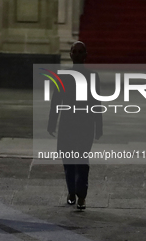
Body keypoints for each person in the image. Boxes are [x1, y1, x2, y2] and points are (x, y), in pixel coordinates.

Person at [47, 41, 103, 210]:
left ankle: (81, 195)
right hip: (67, 123)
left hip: (84, 123)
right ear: (71, 55)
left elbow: (96, 102)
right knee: (68, 161)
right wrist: (52, 122)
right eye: (75, 51)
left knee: (82, 161)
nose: (77, 54)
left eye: (80, 52)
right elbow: (56, 100)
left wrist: (98, 126)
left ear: (85, 55)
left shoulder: (92, 76)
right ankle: (72, 191)